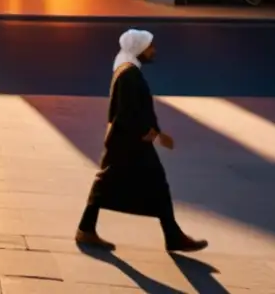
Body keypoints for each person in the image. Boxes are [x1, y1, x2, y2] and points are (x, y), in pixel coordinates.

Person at [76, 30, 208, 253]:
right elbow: (129, 111)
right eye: (149, 46)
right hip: (130, 142)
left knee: (138, 183)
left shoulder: (127, 69)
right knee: (135, 183)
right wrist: (150, 132)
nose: (153, 50)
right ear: (139, 48)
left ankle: (171, 234)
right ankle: (172, 236)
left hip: (128, 140)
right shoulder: (129, 74)